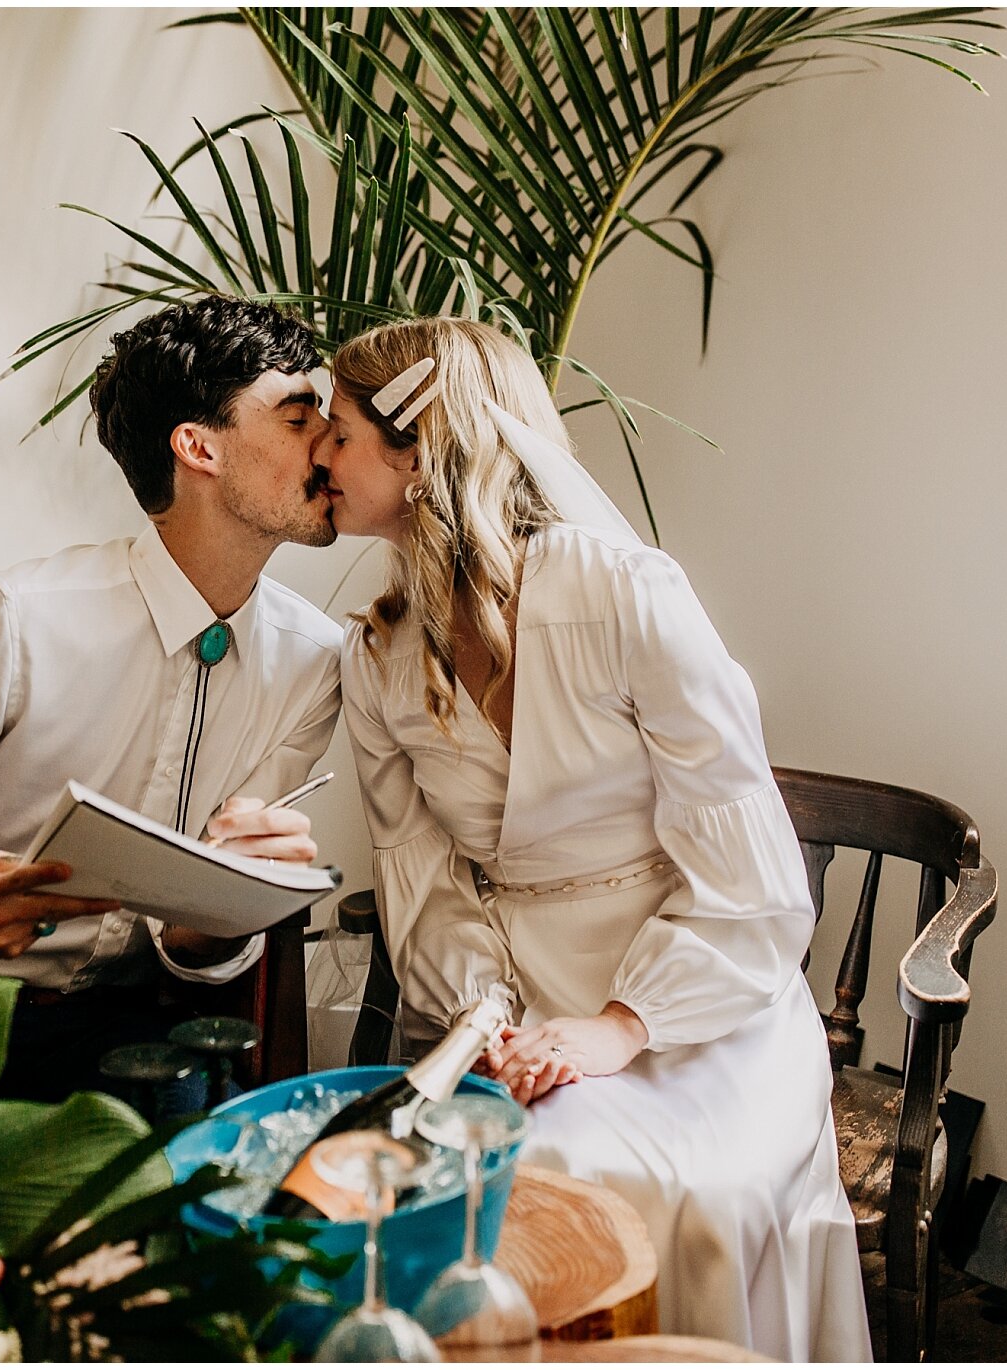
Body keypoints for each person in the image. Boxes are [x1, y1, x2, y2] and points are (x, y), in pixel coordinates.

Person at [317, 318, 872, 1361]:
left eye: (337, 430)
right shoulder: (376, 657)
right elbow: (421, 878)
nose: (317, 456)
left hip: (706, 1002)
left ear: (413, 441)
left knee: (677, 1189)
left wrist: (623, 1023)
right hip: (516, 1003)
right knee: (495, 1174)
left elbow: (749, 866)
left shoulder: (622, 592)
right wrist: (489, 1018)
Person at [0, 296, 344, 1102]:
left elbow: (199, 941)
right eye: (297, 417)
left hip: (144, 1019)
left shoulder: (316, 661)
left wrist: (228, 902)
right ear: (198, 448)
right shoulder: (19, 616)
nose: (328, 445)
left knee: (199, 1211)